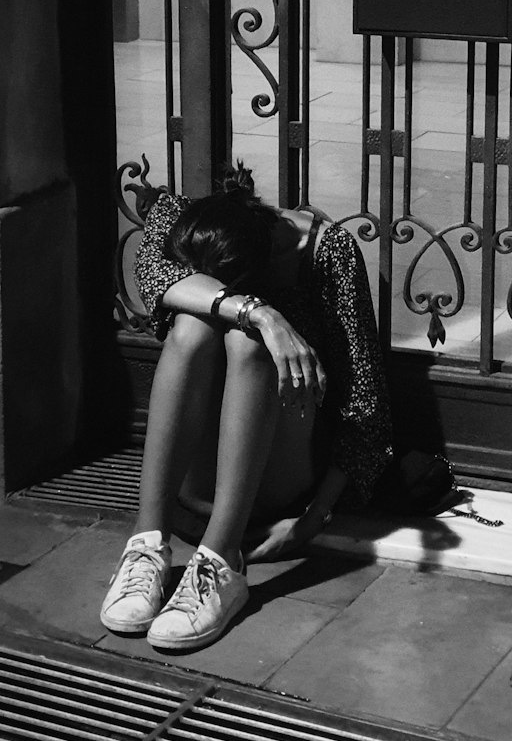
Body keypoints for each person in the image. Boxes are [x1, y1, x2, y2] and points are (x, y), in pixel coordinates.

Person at [99, 163, 393, 651]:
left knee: (245, 344)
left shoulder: (328, 251)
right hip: (195, 485)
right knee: (193, 327)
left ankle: (221, 562)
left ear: (274, 252)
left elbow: (367, 403)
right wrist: (260, 312)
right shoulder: (181, 217)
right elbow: (152, 277)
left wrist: (315, 517)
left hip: (280, 471)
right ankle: (147, 543)